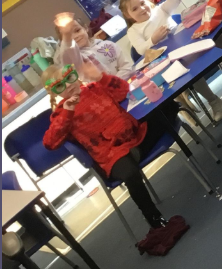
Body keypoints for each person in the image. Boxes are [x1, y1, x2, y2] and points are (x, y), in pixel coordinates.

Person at [42, 61, 181, 230]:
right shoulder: (61, 112)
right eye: (59, 86)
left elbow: (125, 92)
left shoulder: (95, 88)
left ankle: (139, 154)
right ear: (53, 92)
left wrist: (101, 77)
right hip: (112, 154)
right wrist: (67, 111)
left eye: (69, 78)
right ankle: (155, 219)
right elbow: (50, 143)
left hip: (135, 136)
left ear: (75, 75)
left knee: (168, 107)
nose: (68, 85)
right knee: (130, 174)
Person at [121, 0, 222, 109]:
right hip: (174, 59)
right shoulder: (133, 31)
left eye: (142, 3)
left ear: (148, 0)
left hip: (192, 42)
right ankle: (213, 101)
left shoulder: (160, 10)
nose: (142, 9)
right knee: (187, 71)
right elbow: (140, 50)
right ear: (128, 15)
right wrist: (153, 39)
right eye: (135, 9)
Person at [53, 14, 132, 80]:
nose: (75, 36)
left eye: (77, 30)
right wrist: (67, 37)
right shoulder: (77, 60)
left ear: (85, 28)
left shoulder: (108, 45)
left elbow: (126, 66)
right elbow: (68, 54)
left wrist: (116, 82)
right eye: (69, 36)